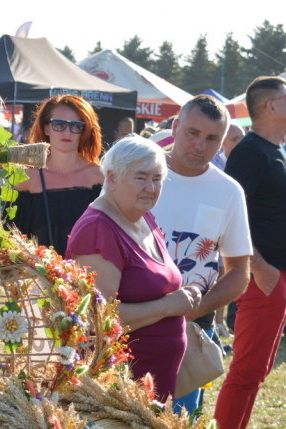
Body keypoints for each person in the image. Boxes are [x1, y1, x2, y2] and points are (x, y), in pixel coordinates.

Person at [213, 76, 286, 429]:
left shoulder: (273, 149)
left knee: (256, 372)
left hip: (280, 276)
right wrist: (259, 266)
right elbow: (229, 215)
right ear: (270, 105)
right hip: (263, 276)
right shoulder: (251, 151)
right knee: (246, 372)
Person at [67, 136, 202, 401]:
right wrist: (168, 306)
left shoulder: (143, 216)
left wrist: (183, 296)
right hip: (120, 392)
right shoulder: (98, 230)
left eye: (157, 178)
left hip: (155, 384)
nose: (150, 188)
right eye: (141, 178)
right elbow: (98, 320)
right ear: (113, 178)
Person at [150, 95, 252, 416]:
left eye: (211, 139)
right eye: (192, 133)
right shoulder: (138, 174)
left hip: (191, 332)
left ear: (222, 144)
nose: (199, 145)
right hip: (129, 325)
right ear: (175, 127)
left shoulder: (228, 191)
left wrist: (193, 312)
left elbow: (239, 273)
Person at [13, 94, 104, 257]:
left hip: (91, 277)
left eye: (76, 126)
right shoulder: (25, 179)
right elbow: (9, 242)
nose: (67, 132)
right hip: (37, 279)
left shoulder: (101, 178)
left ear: (85, 130)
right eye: (59, 124)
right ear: (46, 127)